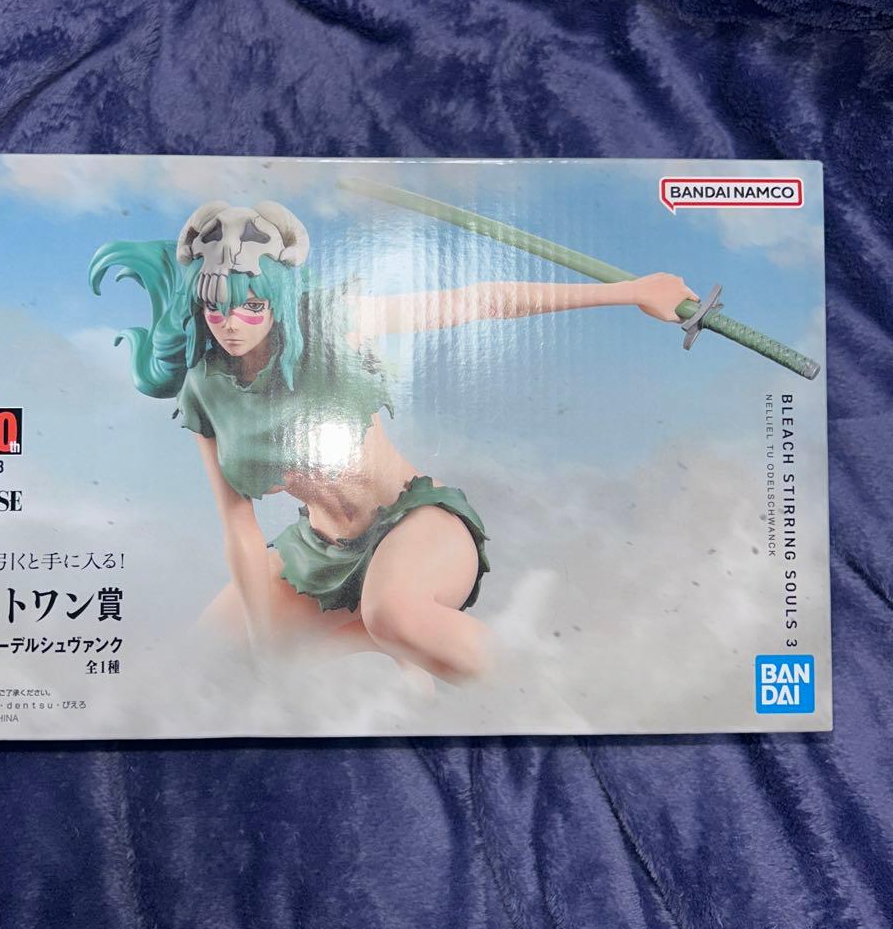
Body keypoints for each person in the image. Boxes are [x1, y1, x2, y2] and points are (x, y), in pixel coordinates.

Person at [90, 199, 696, 684]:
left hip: (413, 523)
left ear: (277, 298)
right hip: (319, 552)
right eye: (217, 308)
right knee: (208, 664)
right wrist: (262, 647)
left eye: (252, 306)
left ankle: (557, 686)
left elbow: (478, 303)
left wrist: (632, 291)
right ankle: (384, 651)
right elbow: (239, 529)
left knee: (393, 614)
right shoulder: (202, 387)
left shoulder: (333, 324)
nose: (232, 324)